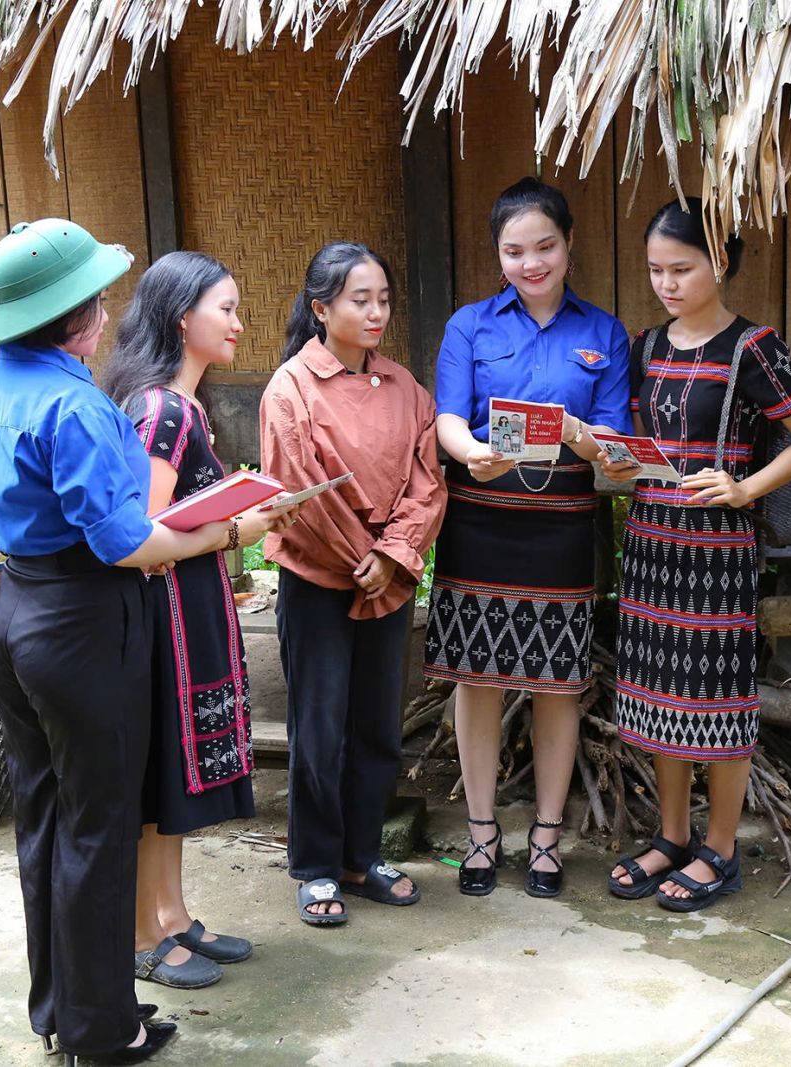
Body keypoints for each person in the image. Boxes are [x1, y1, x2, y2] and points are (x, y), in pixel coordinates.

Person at [0, 220, 234, 1064]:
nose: (107, 310)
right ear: (67, 314)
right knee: (100, 827)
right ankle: (105, 1028)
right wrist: (225, 531)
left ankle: (62, 1007)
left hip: (18, 610)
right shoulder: (75, 403)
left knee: (45, 818)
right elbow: (124, 541)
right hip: (84, 621)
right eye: (95, 298)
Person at [608, 198, 791, 911]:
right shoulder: (646, 347)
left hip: (719, 550)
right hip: (650, 544)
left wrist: (744, 488)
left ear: (721, 262)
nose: (666, 283)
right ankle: (672, 836)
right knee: (660, 697)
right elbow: (641, 441)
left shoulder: (752, 347)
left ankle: (721, 850)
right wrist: (617, 460)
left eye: (682, 268)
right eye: (656, 270)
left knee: (720, 701)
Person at [426, 176, 638, 898]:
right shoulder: (469, 326)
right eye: (514, 251)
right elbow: (448, 418)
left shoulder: (604, 333)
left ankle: (546, 834)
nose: (531, 263)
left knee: (558, 683)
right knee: (477, 677)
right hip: (479, 514)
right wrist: (468, 452)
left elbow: (615, 444)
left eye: (544, 246)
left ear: (569, 243)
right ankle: (481, 831)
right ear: (498, 254)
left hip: (564, 525)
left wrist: (584, 435)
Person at [104, 252, 297, 988]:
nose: (239, 323)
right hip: (168, 616)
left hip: (188, 605)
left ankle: (172, 915)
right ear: (183, 317)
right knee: (162, 772)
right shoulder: (166, 411)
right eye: (227, 308)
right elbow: (146, 525)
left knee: (173, 775)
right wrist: (239, 527)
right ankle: (143, 933)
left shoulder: (177, 405)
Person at [260, 242, 446, 926]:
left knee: (377, 726)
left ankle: (361, 857)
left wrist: (394, 554)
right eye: (359, 300)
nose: (376, 313)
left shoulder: (406, 388)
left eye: (384, 300)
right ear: (320, 308)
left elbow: (428, 481)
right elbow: (299, 486)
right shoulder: (291, 388)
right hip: (318, 575)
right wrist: (361, 556)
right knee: (320, 728)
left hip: (387, 579)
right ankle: (315, 865)